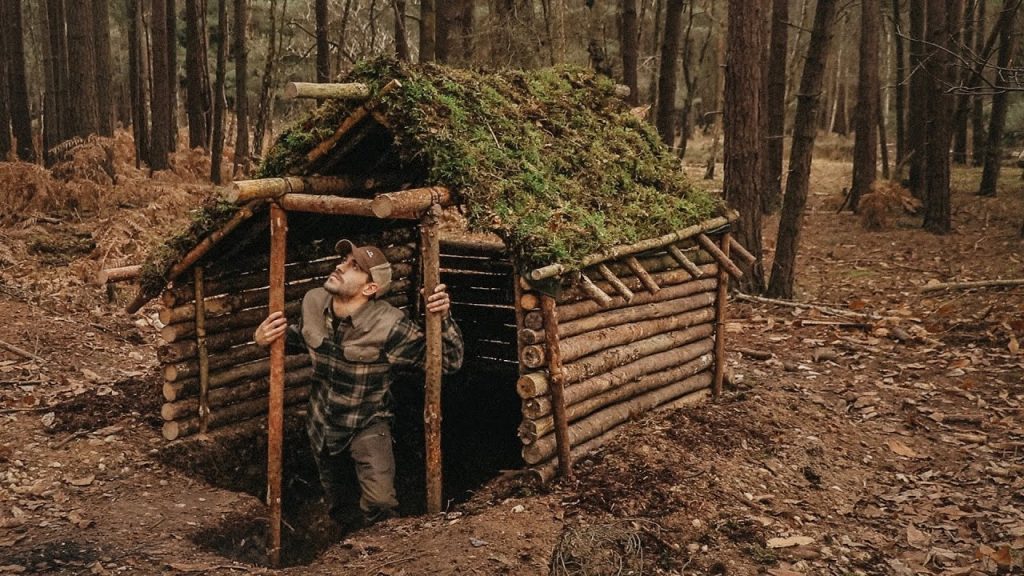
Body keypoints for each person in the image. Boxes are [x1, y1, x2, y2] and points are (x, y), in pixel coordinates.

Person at [254, 239, 464, 525]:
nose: (340, 267)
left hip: (367, 422)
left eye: (354, 267)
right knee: (340, 503)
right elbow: (298, 337)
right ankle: (347, 549)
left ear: (370, 288)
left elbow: (448, 362)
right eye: (343, 261)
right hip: (321, 423)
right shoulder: (314, 302)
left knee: (379, 502)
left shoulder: (390, 325)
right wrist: (263, 339)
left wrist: (443, 318)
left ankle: (381, 554)